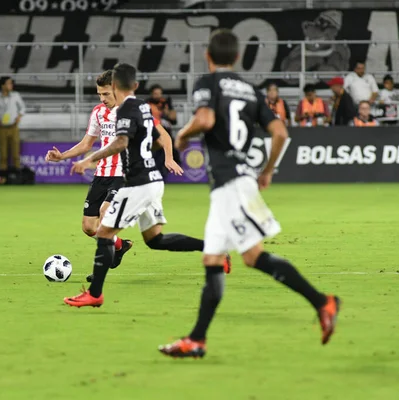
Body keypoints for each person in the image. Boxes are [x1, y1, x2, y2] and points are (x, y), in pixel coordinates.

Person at [159, 29, 340, 358]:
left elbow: (205, 118)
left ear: (208, 56)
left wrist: (182, 137)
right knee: (212, 259)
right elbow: (281, 132)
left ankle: (322, 302)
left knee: (252, 256)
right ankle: (197, 340)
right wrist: (267, 170)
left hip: (230, 185)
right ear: (238, 57)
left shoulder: (208, 83)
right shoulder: (252, 91)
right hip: (238, 180)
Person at [63, 63, 231, 308]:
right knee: (155, 240)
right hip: (152, 180)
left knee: (104, 232)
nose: (103, 98)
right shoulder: (141, 107)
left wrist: (89, 160)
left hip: (137, 184)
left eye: (107, 92)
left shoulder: (125, 110)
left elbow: (120, 143)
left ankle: (95, 293)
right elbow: (155, 136)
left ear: (117, 86)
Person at [45, 71, 133, 283]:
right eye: (99, 94)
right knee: (88, 227)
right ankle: (120, 246)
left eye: (106, 94)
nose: (102, 98)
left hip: (124, 173)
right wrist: (62, 156)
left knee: (104, 214)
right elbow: (86, 144)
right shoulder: (98, 113)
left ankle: (100, 269)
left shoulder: (131, 111)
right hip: (102, 173)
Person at [0, 76, 26, 184]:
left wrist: (19, 116)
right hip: (2, 127)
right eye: (8, 83)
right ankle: (3, 178)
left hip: (13, 127)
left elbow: (22, 107)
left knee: (15, 153)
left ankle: (18, 178)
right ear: (2, 86)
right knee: (3, 154)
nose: (10, 86)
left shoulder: (15, 96)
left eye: (11, 83)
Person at [147, 84, 179, 177]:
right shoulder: (147, 104)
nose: (158, 96)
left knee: (168, 158)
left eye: (159, 93)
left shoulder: (166, 103)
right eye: (155, 93)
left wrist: (166, 111)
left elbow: (174, 120)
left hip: (166, 135)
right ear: (151, 94)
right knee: (154, 159)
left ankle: (164, 177)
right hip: (153, 137)